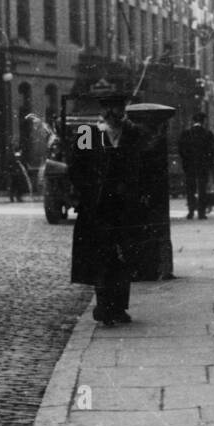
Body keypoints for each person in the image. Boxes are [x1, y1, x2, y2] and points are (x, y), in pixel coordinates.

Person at [68, 90, 146, 327]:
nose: (112, 113)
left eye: (117, 108)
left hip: (124, 206)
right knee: (101, 256)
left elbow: (142, 166)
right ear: (101, 111)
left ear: (123, 110)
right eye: (107, 108)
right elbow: (75, 167)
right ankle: (103, 306)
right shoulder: (87, 133)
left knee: (123, 257)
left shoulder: (133, 133)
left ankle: (120, 307)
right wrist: (86, 192)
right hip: (97, 207)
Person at [177, 111, 214, 220]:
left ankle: (191, 211)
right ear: (203, 121)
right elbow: (213, 150)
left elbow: (181, 150)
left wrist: (186, 161)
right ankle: (201, 212)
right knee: (202, 189)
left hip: (189, 166)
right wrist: (208, 160)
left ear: (193, 121)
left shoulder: (186, 134)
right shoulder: (208, 134)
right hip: (203, 166)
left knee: (190, 189)